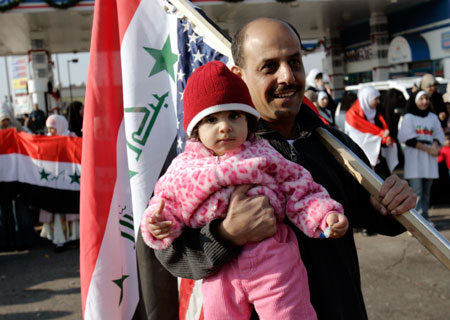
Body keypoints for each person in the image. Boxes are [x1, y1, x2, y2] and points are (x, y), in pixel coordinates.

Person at [137, 18, 416, 320]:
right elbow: (166, 255)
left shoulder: (334, 144)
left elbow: (374, 215)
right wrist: (226, 235)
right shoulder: (203, 160)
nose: (287, 76)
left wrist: (392, 205)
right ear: (239, 76)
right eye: (269, 67)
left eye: (294, 62)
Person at [142, 61, 348, 319]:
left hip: (271, 257)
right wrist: (159, 223)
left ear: (248, 121)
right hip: (219, 269)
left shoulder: (264, 154)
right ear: (195, 130)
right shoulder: (183, 169)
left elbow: (301, 188)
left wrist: (324, 214)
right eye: (211, 119)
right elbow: (167, 202)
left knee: (288, 312)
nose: (225, 126)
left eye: (234, 115)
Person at [398, 91, 445, 223]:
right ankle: (417, 222)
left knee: (426, 193)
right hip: (416, 160)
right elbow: (407, 139)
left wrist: (435, 145)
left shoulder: (432, 117)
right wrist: (428, 149)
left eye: (426, 98)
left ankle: (425, 219)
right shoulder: (409, 117)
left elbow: (438, 134)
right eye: (421, 98)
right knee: (416, 192)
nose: (424, 101)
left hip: (430, 160)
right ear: (415, 101)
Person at [38, 114, 79, 252]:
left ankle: (75, 237)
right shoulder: (47, 141)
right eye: (49, 129)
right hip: (54, 184)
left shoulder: (72, 138)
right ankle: (60, 240)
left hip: (69, 182)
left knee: (72, 210)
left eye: (53, 129)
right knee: (57, 213)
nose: (50, 132)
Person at [345, 86, 398, 177]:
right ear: (367, 99)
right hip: (363, 160)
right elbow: (359, 139)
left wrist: (385, 139)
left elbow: (382, 130)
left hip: (379, 158)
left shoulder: (376, 113)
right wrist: (381, 138)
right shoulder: (353, 115)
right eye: (375, 99)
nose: (378, 102)